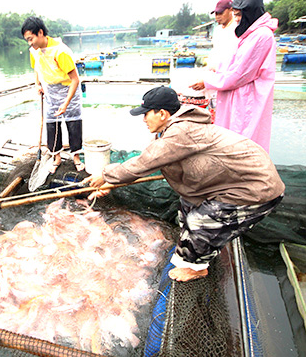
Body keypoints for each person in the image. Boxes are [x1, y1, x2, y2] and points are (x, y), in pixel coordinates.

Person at [84, 86, 285, 282]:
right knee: (186, 208)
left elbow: (145, 162)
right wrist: (112, 183)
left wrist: (105, 175)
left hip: (256, 190)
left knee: (200, 221)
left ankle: (197, 268)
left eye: (146, 114)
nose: (144, 119)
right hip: (231, 182)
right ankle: (196, 247)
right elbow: (155, 159)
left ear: (162, 113)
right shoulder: (175, 128)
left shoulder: (181, 132)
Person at [190, 0, 278, 152]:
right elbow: (232, 64)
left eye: (239, 15)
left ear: (249, 13)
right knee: (229, 141)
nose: (237, 20)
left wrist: (207, 81)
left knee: (242, 143)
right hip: (235, 96)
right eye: (236, 15)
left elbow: (239, 75)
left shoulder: (261, 36)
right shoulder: (249, 35)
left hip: (246, 99)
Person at [21, 16, 84, 173]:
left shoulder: (60, 51)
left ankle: (76, 156)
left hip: (69, 89)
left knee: (73, 123)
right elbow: (37, 67)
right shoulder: (34, 51)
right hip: (51, 91)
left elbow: (75, 79)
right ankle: (56, 157)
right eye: (27, 40)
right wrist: (38, 84)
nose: (30, 43)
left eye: (31, 39)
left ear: (40, 32)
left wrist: (66, 103)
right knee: (52, 124)